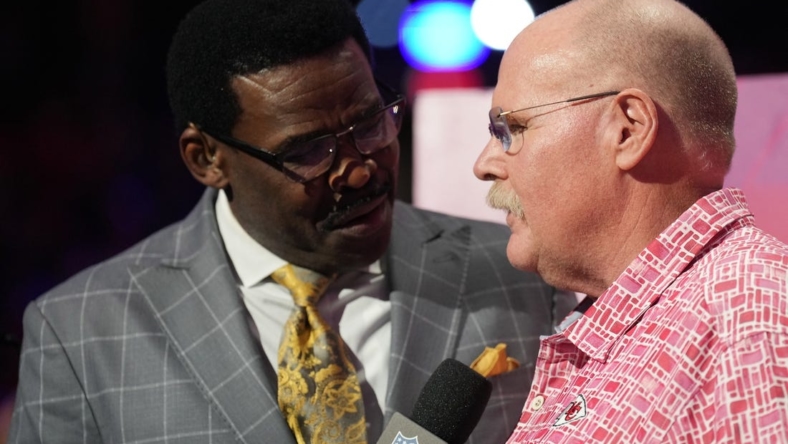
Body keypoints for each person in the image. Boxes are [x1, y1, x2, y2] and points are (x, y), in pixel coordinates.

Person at [8, 0, 574, 443]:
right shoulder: (81, 332)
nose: (358, 170)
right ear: (206, 159)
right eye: (308, 151)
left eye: (372, 121)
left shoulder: (526, 272)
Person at [473, 0, 788, 442]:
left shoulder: (748, 318)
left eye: (510, 130)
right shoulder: (718, 316)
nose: (484, 164)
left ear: (628, 129)